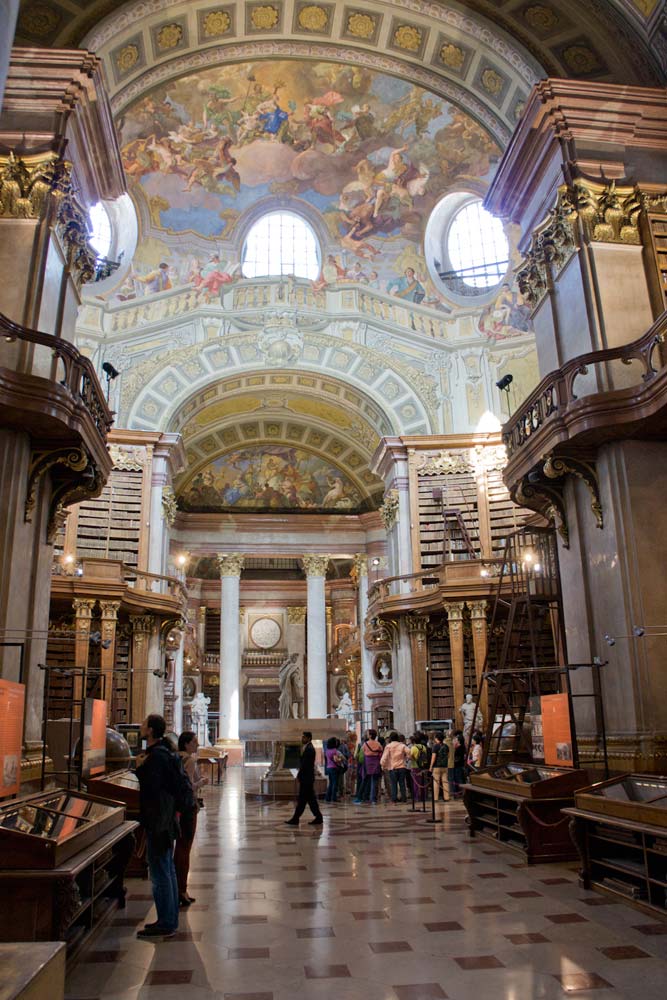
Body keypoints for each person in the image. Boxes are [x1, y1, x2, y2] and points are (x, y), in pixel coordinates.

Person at [135, 713, 180, 937]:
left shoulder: (155, 757)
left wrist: (140, 769)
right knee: (168, 869)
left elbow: (152, 790)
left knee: (160, 872)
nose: (141, 727)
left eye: (144, 724)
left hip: (158, 822)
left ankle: (166, 922)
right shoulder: (166, 753)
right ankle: (170, 919)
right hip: (167, 819)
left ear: (151, 730)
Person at [174, 730, 209, 907]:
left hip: (177, 809)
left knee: (179, 848)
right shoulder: (190, 760)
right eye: (194, 741)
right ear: (187, 744)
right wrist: (202, 783)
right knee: (184, 848)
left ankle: (176, 888)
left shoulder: (175, 758)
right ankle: (182, 889)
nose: (197, 744)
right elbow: (189, 787)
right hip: (188, 808)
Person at [285, 731, 323, 826]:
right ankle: (318, 817)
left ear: (309, 738)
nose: (302, 739)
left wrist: (298, 775)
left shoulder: (310, 749)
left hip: (307, 778)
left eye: (304, 737)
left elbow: (305, 765)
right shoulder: (307, 748)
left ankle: (296, 819)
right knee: (310, 800)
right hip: (307, 778)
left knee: (302, 800)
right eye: (302, 737)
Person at [354, 729, 383, 804]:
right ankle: (373, 799)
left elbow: (362, 753)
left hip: (367, 763)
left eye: (368, 734)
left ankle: (360, 797)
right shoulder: (378, 744)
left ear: (370, 735)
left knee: (365, 780)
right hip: (376, 763)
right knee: (374, 781)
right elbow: (381, 751)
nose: (367, 735)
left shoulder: (365, 744)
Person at [380, 731, 409, 803]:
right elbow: (409, 752)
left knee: (393, 784)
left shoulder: (388, 746)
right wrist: (407, 758)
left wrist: (382, 765)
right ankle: (403, 798)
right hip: (402, 766)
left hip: (392, 768)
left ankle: (394, 798)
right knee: (402, 783)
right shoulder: (402, 745)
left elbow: (384, 757)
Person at [430, 730, 451, 803]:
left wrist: (430, 767)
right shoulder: (446, 746)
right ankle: (446, 797)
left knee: (436, 782)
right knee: (445, 782)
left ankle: (435, 798)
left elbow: (433, 757)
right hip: (445, 766)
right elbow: (448, 756)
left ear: (437, 738)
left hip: (436, 767)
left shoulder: (435, 746)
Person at [324, 736, 341, 803]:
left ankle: (328, 797)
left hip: (328, 767)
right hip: (334, 768)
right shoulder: (334, 750)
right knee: (334, 784)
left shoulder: (327, 750)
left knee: (331, 783)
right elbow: (336, 760)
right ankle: (334, 798)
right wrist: (340, 759)